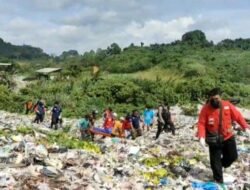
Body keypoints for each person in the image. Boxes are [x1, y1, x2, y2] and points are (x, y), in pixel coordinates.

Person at [197, 88, 250, 184]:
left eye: (217, 99)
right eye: (213, 99)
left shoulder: (227, 105)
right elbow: (201, 123)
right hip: (214, 139)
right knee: (215, 161)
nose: (215, 101)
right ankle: (218, 181)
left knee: (232, 156)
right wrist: (201, 137)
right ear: (210, 99)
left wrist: (245, 127)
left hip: (228, 136)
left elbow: (238, 116)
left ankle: (220, 165)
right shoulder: (206, 109)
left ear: (220, 97)